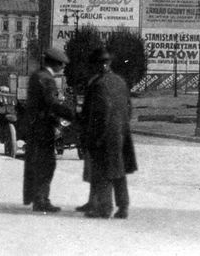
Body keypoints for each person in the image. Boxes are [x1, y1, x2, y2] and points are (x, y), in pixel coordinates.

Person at [78, 47, 137, 219]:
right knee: (119, 170)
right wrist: (122, 127)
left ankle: (103, 208)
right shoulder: (120, 81)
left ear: (99, 65)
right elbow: (129, 108)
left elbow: (101, 112)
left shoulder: (98, 84)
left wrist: (96, 136)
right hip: (120, 133)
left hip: (103, 134)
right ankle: (123, 207)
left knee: (102, 172)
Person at [23, 46, 74, 213]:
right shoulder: (47, 79)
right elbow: (52, 103)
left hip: (34, 125)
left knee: (39, 163)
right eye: (62, 65)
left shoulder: (37, 76)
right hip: (43, 127)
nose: (63, 68)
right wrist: (72, 114)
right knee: (47, 164)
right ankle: (41, 200)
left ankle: (39, 198)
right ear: (57, 64)